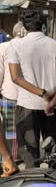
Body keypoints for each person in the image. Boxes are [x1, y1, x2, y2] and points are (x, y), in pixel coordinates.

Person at [8, 11, 56, 168]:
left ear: (24, 26)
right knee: (53, 150)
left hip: (27, 106)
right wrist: (53, 100)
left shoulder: (16, 45)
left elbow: (15, 77)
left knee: (30, 152)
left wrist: (42, 93)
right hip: (51, 106)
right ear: (43, 25)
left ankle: (33, 184)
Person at [0, 22, 27, 165]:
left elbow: (0, 72)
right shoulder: (30, 47)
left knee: (9, 129)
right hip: (29, 95)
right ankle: (20, 155)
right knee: (25, 128)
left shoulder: (3, 47)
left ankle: (11, 158)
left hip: (9, 94)